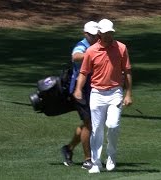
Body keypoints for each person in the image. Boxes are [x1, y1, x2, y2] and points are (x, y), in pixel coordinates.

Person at [73, 18, 133, 174]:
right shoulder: (91, 51)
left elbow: (127, 71)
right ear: (100, 33)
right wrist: (78, 89)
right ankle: (96, 162)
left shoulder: (121, 48)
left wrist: (128, 94)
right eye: (106, 33)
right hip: (97, 93)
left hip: (115, 92)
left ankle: (111, 156)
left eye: (111, 32)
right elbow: (84, 72)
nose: (109, 35)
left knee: (113, 125)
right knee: (97, 129)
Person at [61, 21, 99, 170]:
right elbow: (75, 56)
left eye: (97, 35)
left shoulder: (100, 44)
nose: (96, 38)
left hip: (95, 89)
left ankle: (68, 148)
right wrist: (91, 54)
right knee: (89, 123)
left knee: (88, 124)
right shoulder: (82, 45)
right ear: (86, 34)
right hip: (79, 89)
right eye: (92, 35)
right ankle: (87, 159)